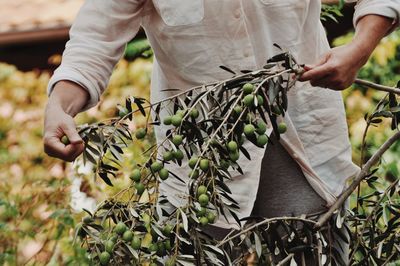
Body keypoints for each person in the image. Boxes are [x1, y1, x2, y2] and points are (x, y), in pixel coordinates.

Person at [43, 0, 400, 263]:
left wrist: (359, 48)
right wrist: (60, 105)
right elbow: (93, 42)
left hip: (309, 156)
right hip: (197, 176)